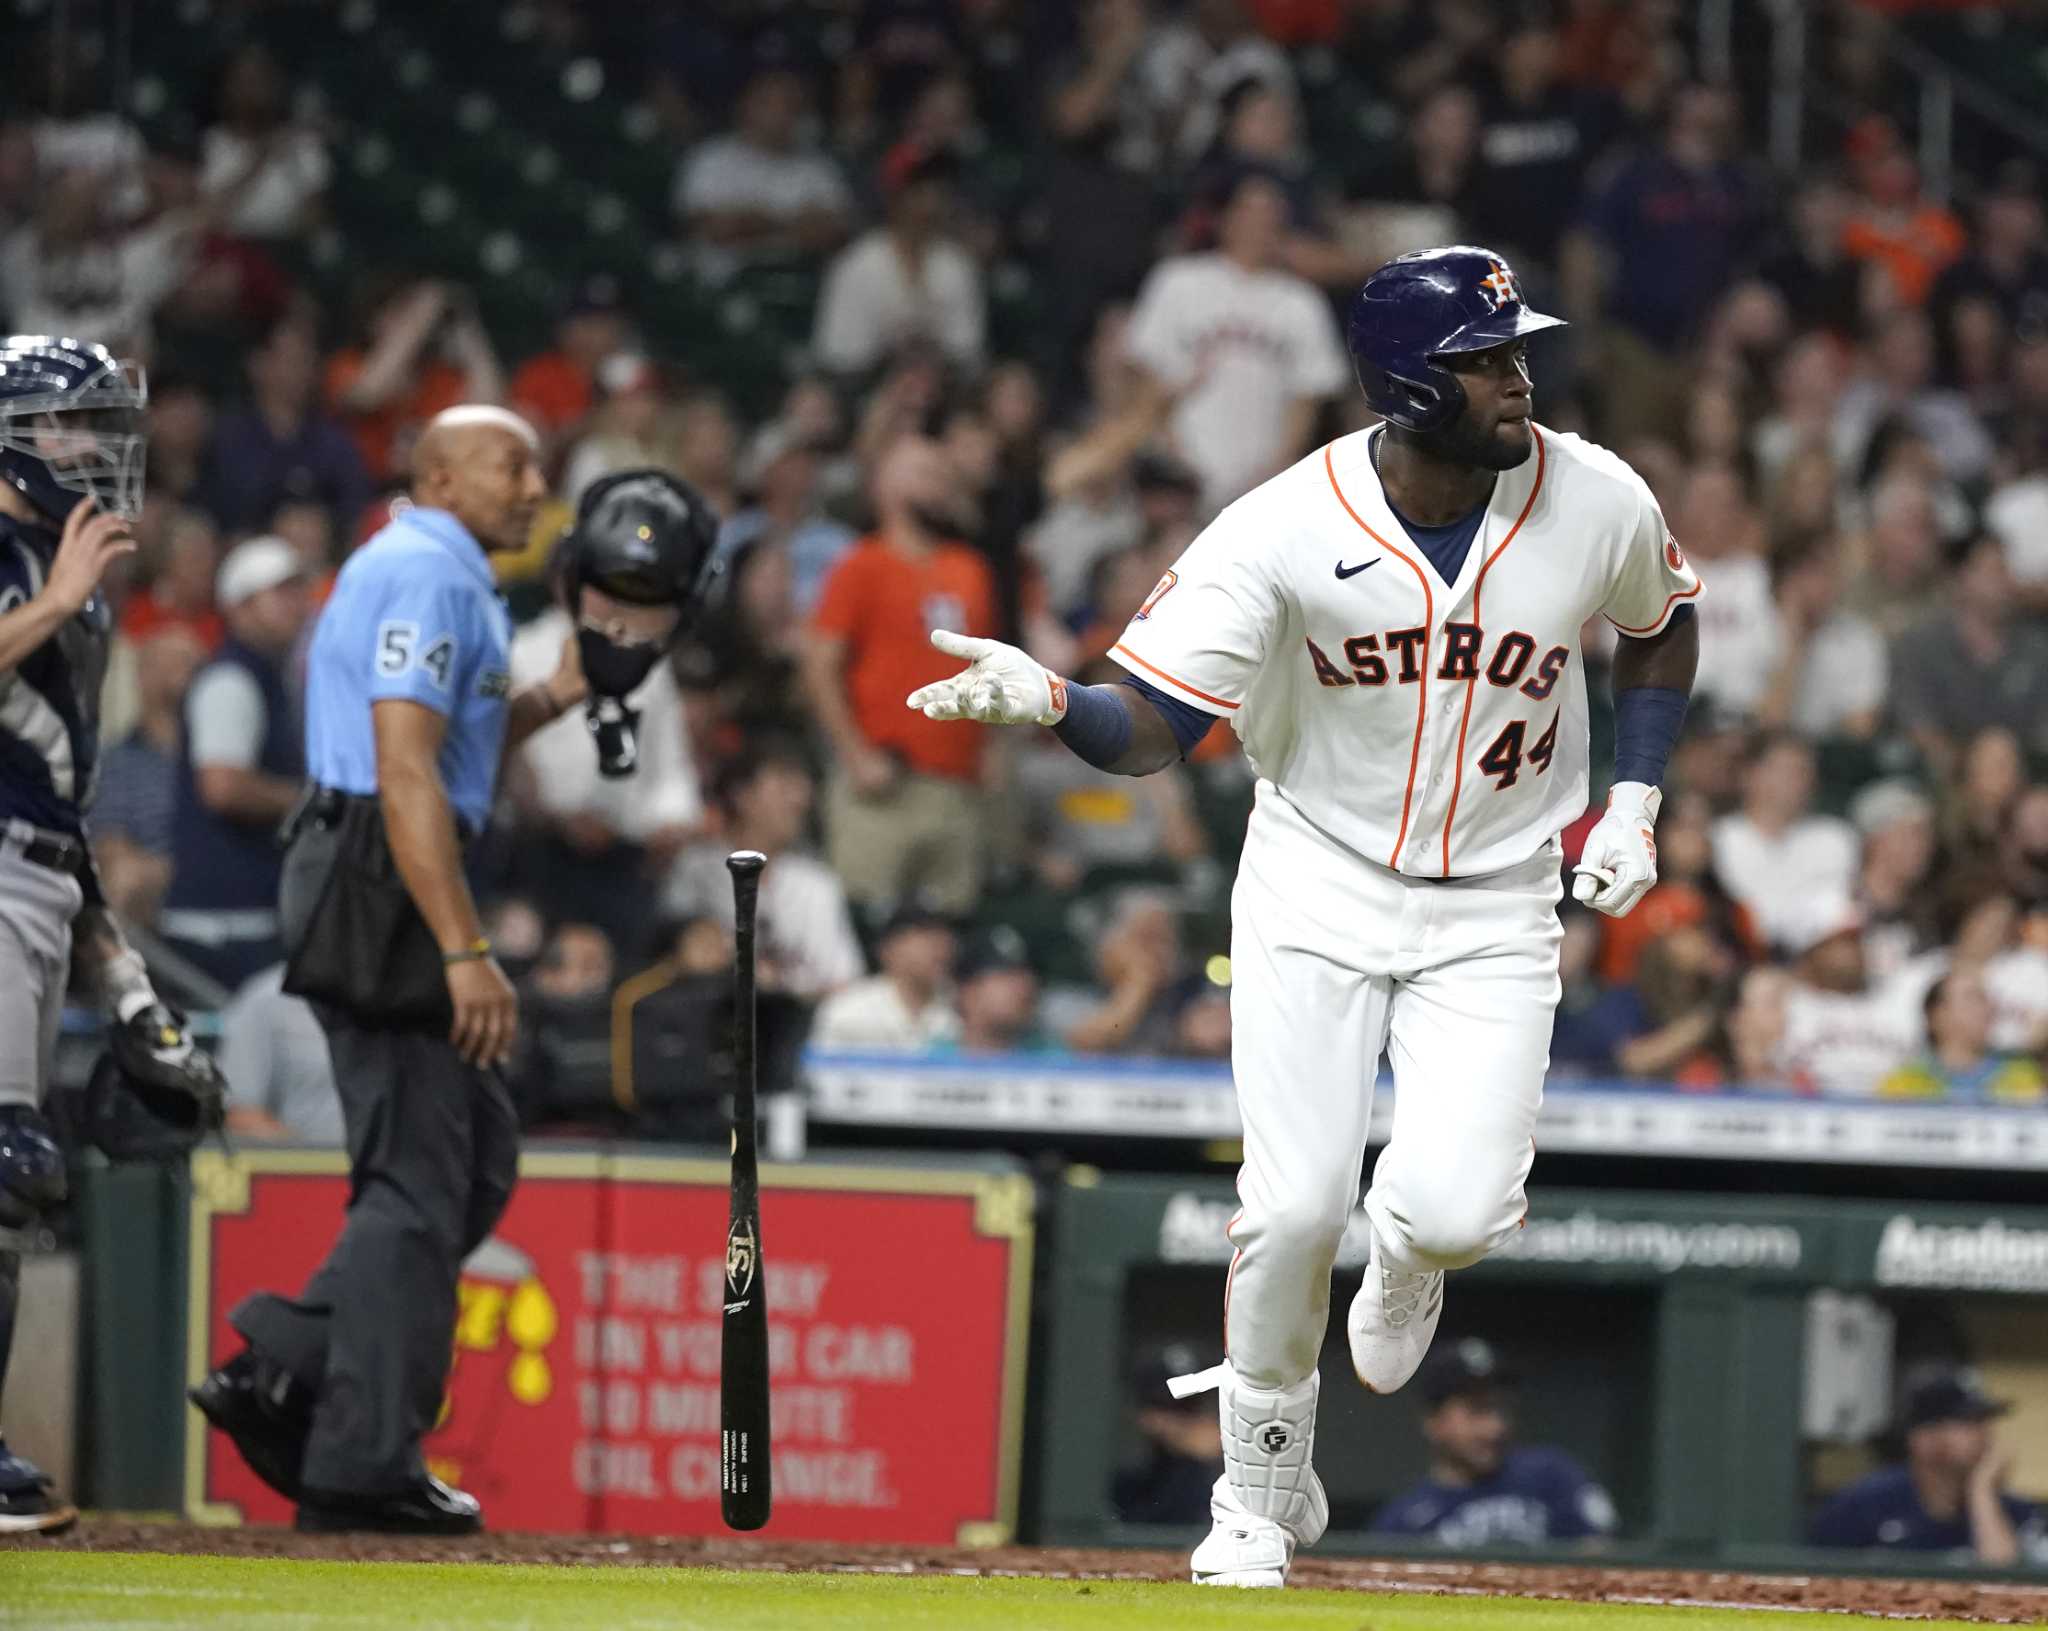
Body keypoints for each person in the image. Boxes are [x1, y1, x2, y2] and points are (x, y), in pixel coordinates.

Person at [906, 246, 1699, 1586]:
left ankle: (1411, 1254)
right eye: (1487, 361)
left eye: (1516, 354)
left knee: (1444, 1209)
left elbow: (1664, 622)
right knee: (1288, 1207)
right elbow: (1155, 729)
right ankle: (1262, 1479)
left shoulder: (1596, 491)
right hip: (1318, 875)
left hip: (1502, 892)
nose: (1520, 379)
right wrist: (1052, 702)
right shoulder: (1282, 522)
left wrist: (1632, 803)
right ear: (1406, 385)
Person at [191, 423, 721, 1535]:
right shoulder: (422, 570)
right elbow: (403, 765)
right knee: (420, 1180)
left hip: (389, 861)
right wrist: (463, 948)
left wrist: (563, 686)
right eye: (513, 469)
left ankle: (282, 1364)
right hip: (379, 869)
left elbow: (461, 739)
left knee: (471, 1159)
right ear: (437, 479)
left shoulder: (456, 578)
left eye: (537, 469)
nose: (538, 488)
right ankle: (360, 1463)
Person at [0, 336, 226, 1532]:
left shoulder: (63, 579)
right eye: (65, 426)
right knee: (4, 1162)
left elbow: (63, 800)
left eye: (100, 428)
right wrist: (48, 600)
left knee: (20, 1184)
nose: (90, 452)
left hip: (40, 875)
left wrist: (129, 985)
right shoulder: (32, 575)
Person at [1066, 169, 1348, 514]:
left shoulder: (1301, 301)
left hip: (1261, 487)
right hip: (1177, 480)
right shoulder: (1179, 282)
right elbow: (1146, 377)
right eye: (1252, 212)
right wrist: (1172, 458)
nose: (1262, 224)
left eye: (1273, 215)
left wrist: (1276, 472)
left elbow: (1307, 399)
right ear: (1225, 219)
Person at [803, 436, 997, 916]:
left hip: (956, 785)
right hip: (883, 783)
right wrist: (854, 754)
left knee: (951, 927)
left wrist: (991, 748)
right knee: (870, 919)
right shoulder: (860, 565)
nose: (937, 485)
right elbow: (819, 665)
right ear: (882, 486)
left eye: (941, 475)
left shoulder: (969, 568)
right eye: (922, 473)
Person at [159, 536, 311, 989]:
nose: (297, 605)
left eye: (299, 591)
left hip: (243, 917)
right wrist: (310, 800)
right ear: (239, 607)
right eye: (280, 594)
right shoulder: (232, 678)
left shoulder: (269, 679)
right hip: (223, 927)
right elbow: (222, 786)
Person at [1370, 1338, 1617, 1547]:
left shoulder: (1551, 1477)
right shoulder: (1404, 1520)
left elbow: (1601, 1557)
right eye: (1477, 1411)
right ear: (1434, 1421)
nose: (1495, 1428)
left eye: (1501, 1410)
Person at [1810, 1369, 2048, 1565]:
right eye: (1968, 1422)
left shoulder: (2015, 1512)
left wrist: (1982, 1490)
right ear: (1924, 1438)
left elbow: (2006, 1583)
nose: (1985, 1434)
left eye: (1984, 1423)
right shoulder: (1863, 1505)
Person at [217, 965, 342, 1144]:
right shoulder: (268, 999)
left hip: (390, 1166)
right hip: (307, 1166)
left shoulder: (395, 993)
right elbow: (238, 1112)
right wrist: (310, 1159)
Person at [809, 904, 960, 1051]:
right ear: (888, 950)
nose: (941, 947)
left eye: (945, 936)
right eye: (927, 937)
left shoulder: (961, 1009)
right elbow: (822, 1074)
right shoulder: (848, 1008)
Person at [1880, 972, 2047, 1104]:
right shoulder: (1904, 1084)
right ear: (1937, 1016)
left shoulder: (2021, 1075)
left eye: (1987, 999)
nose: (1989, 1007)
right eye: (1974, 997)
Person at [1113, 1341, 1226, 1526]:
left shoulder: (1222, 1477)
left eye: (1187, 1407)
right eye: (1164, 1406)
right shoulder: (1125, 1487)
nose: (1176, 1422)